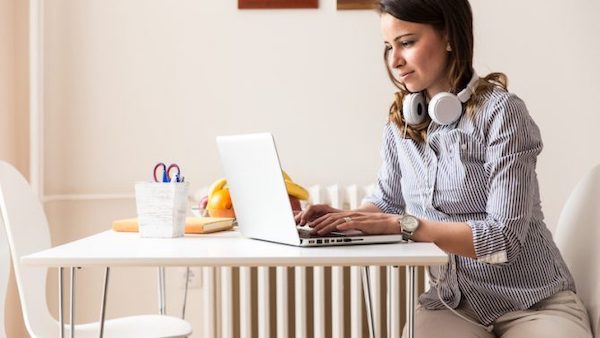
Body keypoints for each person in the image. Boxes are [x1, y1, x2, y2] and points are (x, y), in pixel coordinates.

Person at [295, 0, 593, 337]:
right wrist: (343, 220)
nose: (395, 61)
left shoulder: (502, 113)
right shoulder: (401, 124)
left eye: (407, 43)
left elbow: (504, 239)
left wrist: (406, 225)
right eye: (388, 47)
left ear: (449, 37)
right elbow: (386, 204)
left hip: (533, 302)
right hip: (453, 306)